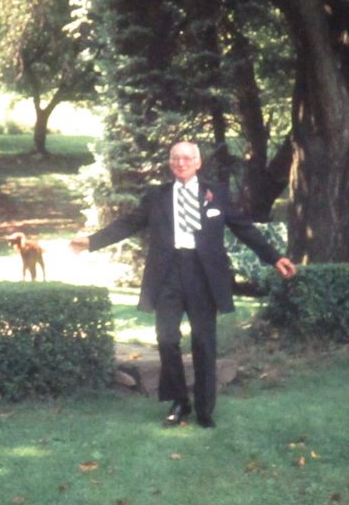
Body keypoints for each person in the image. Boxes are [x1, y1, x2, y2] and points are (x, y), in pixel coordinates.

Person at [70, 140, 296, 429]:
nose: (181, 162)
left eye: (187, 158)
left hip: (204, 276)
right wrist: (91, 242)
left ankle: (204, 409)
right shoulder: (157, 196)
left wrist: (275, 257)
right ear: (170, 163)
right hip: (167, 273)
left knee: (203, 342)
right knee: (166, 339)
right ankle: (179, 402)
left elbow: (244, 228)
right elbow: (128, 223)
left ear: (198, 163)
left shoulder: (217, 195)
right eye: (175, 158)